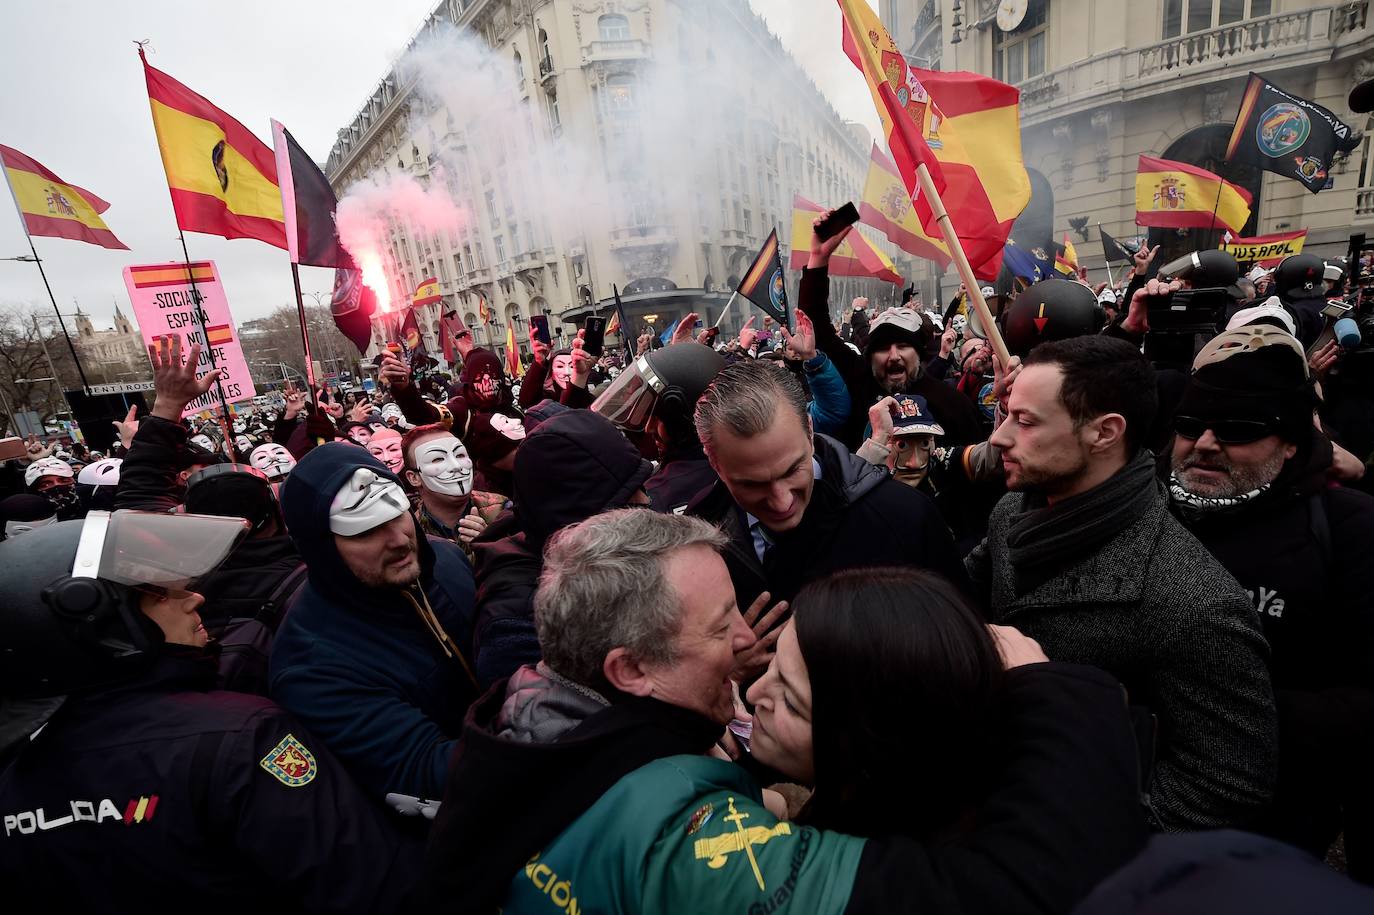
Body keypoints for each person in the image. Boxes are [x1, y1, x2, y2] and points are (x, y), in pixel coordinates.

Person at [415, 509, 1146, 914]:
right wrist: (1056, 691)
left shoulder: (542, 724)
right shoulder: (679, 842)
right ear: (630, 669)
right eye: (718, 627)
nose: (746, 646)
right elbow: (1015, 899)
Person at [0, 510, 420, 911]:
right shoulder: (241, 737)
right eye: (158, 593)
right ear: (99, 628)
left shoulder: (13, 786)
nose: (193, 597)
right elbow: (375, 887)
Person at [967, 335, 1277, 831]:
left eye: (1024, 421)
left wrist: (1072, 817)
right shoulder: (1011, 512)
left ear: (1105, 433)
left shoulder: (1192, 604)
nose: (1000, 437)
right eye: (1007, 415)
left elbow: (1226, 786)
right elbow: (968, 594)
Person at [1167, 324, 1374, 878]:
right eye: (1189, 426)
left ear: (1289, 444)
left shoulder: (1349, 529)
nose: (1206, 443)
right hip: (1147, 813)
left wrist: (1220, 713)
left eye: (1237, 430)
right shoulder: (1148, 515)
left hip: (1277, 826)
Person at [269, 442, 480, 805]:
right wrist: (535, 730)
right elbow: (424, 770)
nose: (399, 541)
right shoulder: (311, 666)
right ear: (321, 548)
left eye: (396, 513)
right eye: (365, 531)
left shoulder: (445, 558)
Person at [688, 359, 969, 612]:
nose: (781, 501)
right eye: (751, 484)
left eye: (792, 470)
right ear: (714, 463)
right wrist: (728, 666)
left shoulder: (905, 517)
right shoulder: (695, 542)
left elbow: (966, 638)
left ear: (810, 431)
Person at [470, 409, 654, 688]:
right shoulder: (521, 626)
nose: (646, 503)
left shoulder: (594, 558)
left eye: (640, 486)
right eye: (625, 502)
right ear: (573, 524)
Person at [799, 214, 983, 447]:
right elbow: (814, 327)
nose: (894, 356)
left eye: (903, 346)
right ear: (870, 356)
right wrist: (819, 257)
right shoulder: (859, 380)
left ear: (918, 353)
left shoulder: (952, 404)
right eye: (884, 348)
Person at [593, 341, 725, 514]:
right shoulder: (738, 467)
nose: (648, 429)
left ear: (681, 421)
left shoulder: (657, 496)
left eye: (656, 418)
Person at [401, 423, 504, 561]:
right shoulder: (411, 535)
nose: (456, 466)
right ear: (414, 478)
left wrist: (494, 546)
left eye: (460, 455)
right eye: (437, 459)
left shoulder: (505, 510)